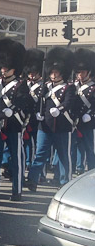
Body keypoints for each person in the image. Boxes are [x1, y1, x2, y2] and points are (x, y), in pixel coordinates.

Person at [26, 48, 77, 190]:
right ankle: (32, 179)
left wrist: (59, 109)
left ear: (62, 72)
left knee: (63, 156)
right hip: (45, 126)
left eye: (56, 72)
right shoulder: (46, 87)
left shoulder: (69, 87)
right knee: (40, 154)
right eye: (51, 72)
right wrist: (38, 113)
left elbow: (69, 102)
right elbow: (38, 103)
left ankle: (64, 181)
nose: (53, 75)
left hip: (62, 126)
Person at [0, 38, 31, 201]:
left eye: (6, 68)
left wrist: (12, 109)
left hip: (14, 125)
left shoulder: (20, 85)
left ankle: (17, 189)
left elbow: (24, 102)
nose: (3, 70)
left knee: (17, 158)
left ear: (13, 69)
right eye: (2, 67)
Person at [73, 49, 95, 172]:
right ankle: (79, 168)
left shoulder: (93, 87)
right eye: (78, 72)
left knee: (88, 147)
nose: (80, 74)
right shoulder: (74, 86)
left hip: (89, 121)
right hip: (76, 120)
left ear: (89, 72)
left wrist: (90, 114)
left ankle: (92, 169)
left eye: (82, 72)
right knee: (76, 145)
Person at [23, 49, 45, 173]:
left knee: (37, 145)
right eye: (30, 72)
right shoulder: (24, 84)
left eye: (34, 72)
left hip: (37, 118)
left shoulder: (43, 85)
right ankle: (27, 163)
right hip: (26, 117)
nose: (31, 74)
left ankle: (38, 171)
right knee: (27, 142)